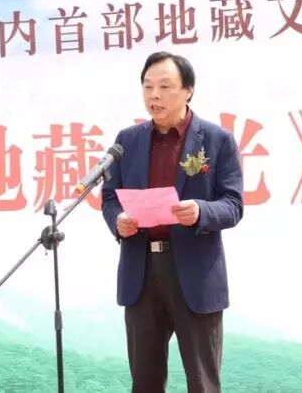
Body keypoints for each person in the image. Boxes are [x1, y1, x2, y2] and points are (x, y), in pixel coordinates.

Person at [101, 51, 244, 392]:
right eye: (147, 86)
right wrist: (118, 220)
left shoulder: (216, 140)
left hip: (195, 273)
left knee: (202, 382)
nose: (154, 95)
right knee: (145, 382)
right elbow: (109, 197)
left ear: (188, 90)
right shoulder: (127, 141)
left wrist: (201, 211)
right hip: (141, 271)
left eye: (165, 87)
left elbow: (233, 204)